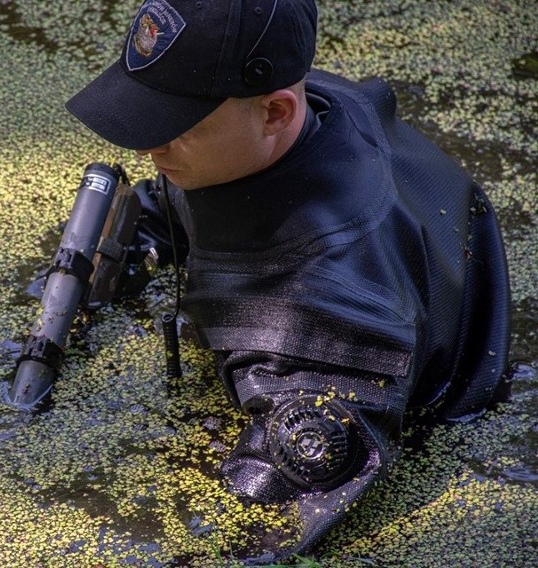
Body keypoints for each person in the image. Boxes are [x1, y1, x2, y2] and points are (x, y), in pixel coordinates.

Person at [65, 0, 511, 559]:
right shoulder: (307, 109)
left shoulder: (324, 314)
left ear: (275, 112)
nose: (147, 148)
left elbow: (263, 522)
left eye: (174, 126)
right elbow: (169, 200)